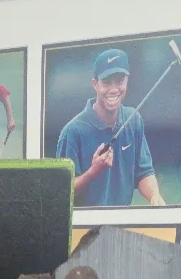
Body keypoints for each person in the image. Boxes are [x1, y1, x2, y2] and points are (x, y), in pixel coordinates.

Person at [55, 48, 165, 208]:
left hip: (122, 220)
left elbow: (144, 172)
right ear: (95, 84)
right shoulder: (72, 132)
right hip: (85, 222)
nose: (113, 89)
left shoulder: (134, 120)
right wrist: (93, 172)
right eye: (106, 82)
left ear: (127, 81)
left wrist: (154, 196)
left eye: (119, 81)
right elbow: (62, 192)